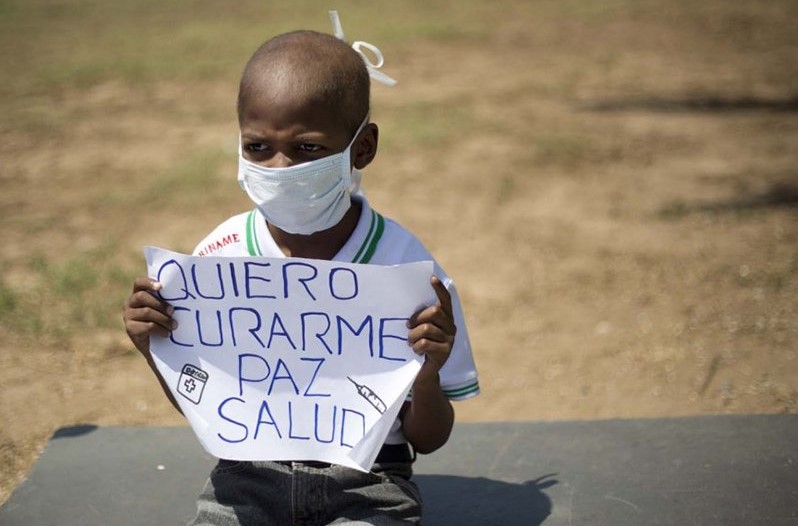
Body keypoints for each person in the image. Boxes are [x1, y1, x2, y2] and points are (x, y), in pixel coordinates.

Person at [123, 17, 479, 525]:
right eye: (257, 147)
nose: (279, 168)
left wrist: (426, 374)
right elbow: (209, 408)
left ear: (363, 148)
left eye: (307, 148)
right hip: (246, 480)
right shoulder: (216, 260)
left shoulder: (408, 272)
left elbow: (430, 438)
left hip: (370, 482)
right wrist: (154, 349)